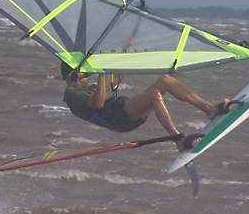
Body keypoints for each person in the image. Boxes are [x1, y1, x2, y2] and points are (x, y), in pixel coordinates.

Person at [61, 62, 233, 151]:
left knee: (166, 81)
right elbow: (98, 103)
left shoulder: (87, 88)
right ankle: (179, 140)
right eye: (82, 74)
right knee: (153, 95)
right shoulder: (71, 93)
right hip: (118, 117)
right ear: (71, 76)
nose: (85, 76)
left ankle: (209, 109)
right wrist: (101, 73)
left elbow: (114, 85)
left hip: (122, 108)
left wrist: (117, 62)